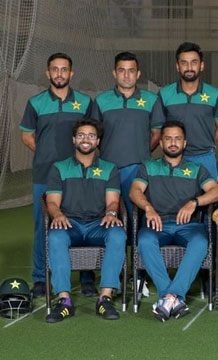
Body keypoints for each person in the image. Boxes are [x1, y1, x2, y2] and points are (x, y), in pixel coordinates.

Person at [130, 120, 218, 322]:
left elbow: (217, 192)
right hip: (157, 224)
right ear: (161, 143)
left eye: (177, 138)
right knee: (145, 241)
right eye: (168, 138)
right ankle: (172, 296)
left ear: (184, 142)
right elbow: (134, 191)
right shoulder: (148, 166)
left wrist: (194, 202)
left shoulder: (196, 168)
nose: (173, 142)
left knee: (200, 242)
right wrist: (148, 207)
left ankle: (168, 298)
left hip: (188, 226)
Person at [20, 53, 95, 297]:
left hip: (79, 175)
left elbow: (90, 135)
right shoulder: (36, 102)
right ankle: (41, 278)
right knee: (42, 227)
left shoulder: (84, 102)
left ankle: (86, 277)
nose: (59, 74)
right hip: (44, 175)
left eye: (64, 70)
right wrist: (47, 156)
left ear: (71, 74)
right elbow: (28, 136)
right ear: (48, 73)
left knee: (83, 221)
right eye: (55, 69)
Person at [44, 119, 126, 323]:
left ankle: (105, 298)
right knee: (55, 236)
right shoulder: (59, 168)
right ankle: (64, 301)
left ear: (97, 141)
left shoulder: (109, 168)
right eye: (81, 135)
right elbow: (52, 202)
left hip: (98, 225)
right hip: (70, 224)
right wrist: (58, 215)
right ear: (74, 139)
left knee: (118, 233)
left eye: (91, 135)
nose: (86, 139)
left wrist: (111, 214)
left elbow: (113, 201)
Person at [95, 52, 164, 218]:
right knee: (108, 214)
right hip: (107, 169)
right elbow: (93, 136)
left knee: (137, 217)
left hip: (138, 169)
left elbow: (157, 134)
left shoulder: (151, 99)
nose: (126, 75)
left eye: (131, 71)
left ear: (138, 74)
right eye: (122, 70)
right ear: (114, 73)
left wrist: (139, 152)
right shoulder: (101, 100)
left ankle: (137, 245)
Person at [159, 42, 218, 181]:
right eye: (184, 63)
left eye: (194, 62)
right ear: (177, 66)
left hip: (205, 157)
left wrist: (207, 142)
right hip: (175, 158)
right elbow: (158, 129)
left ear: (201, 66)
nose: (189, 67)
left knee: (209, 198)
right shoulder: (165, 94)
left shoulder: (214, 94)